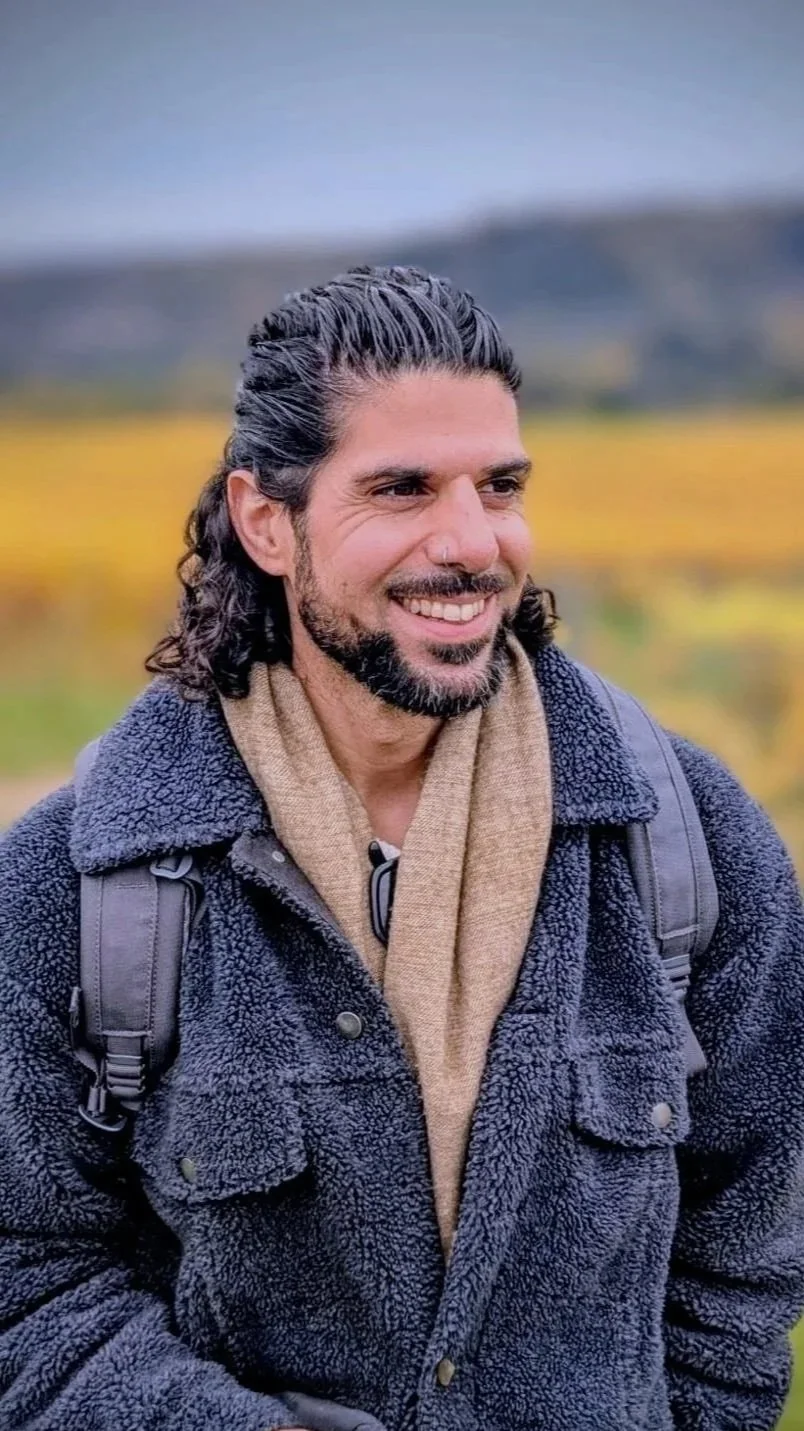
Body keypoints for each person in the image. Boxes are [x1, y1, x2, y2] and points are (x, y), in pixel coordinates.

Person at [1, 265, 802, 1431]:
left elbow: (749, 1248)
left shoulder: (686, 841)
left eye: (501, 485)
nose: (472, 541)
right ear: (267, 522)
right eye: (402, 488)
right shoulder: (81, 884)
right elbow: (27, 1288)